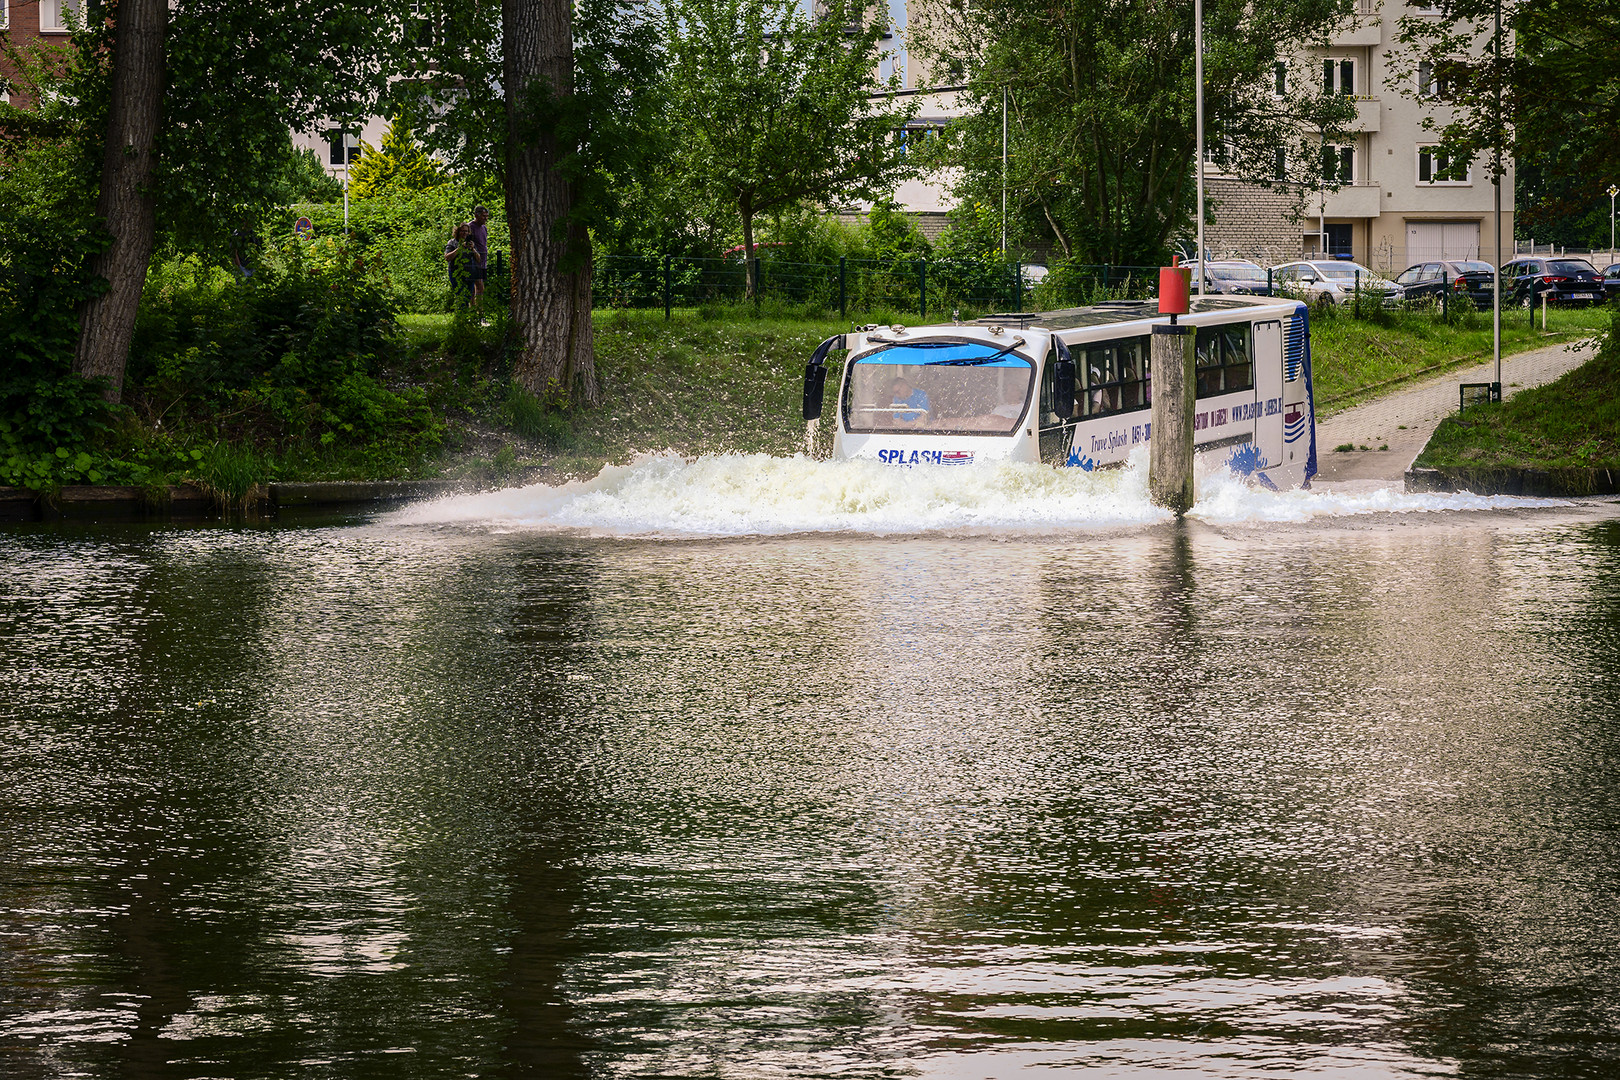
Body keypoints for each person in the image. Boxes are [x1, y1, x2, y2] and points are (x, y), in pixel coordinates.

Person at [445, 223, 474, 308]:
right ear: (457, 232)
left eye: (466, 231)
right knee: (460, 294)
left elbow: (478, 258)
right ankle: (461, 315)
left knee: (468, 295)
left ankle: (465, 314)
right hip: (455, 271)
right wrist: (460, 248)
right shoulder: (452, 242)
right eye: (462, 231)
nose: (464, 233)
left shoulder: (471, 243)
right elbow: (447, 257)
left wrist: (473, 249)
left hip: (469, 272)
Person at [467, 205, 490, 308]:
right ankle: (475, 310)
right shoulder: (470, 227)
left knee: (480, 287)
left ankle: (478, 310)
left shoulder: (484, 228)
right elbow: (466, 244)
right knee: (477, 285)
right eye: (483, 216)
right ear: (476, 215)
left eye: (487, 216)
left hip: (483, 261)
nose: (485, 218)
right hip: (473, 261)